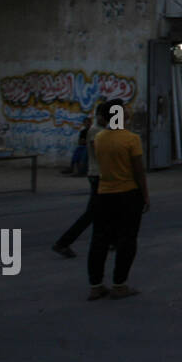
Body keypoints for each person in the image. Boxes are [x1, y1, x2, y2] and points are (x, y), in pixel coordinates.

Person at [87, 99, 149, 300]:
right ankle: (119, 284)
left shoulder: (99, 138)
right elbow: (139, 171)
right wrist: (145, 195)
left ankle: (96, 285)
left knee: (100, 239)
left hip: (104, 193)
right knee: (127, 239)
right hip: (128, 193)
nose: (128, 113)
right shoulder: (131, 139)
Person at [53, 106, 104, 258]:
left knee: (102, 211)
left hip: (100, 175)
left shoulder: (100, 130)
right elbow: (100, 153)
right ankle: (63, 243)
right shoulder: (96, 131)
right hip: (98, 175)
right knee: (93, 213)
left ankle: (108, 241)